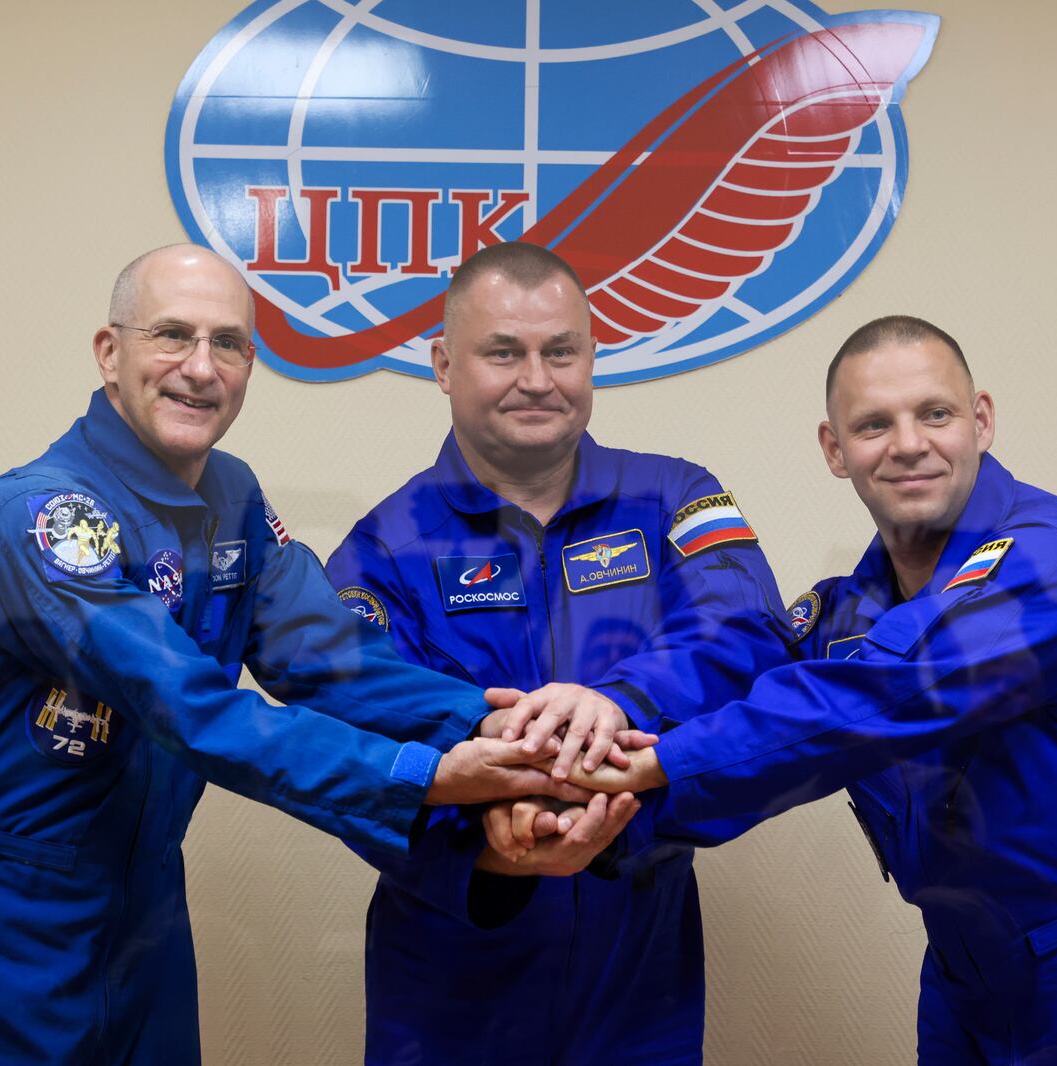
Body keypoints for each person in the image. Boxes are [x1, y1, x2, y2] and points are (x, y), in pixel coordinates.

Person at [0, 244, 589, 1066]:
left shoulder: (229, 497)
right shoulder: (41, 515)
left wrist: (507, 725)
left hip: (141, 915)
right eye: (172, 335)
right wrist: (422, 777)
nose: (200, 368)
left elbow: (332, 659)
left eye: (228, 343)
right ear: (110, 352)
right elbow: (187, 707)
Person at [530, 316, 1057, 1063]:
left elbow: (875, 697)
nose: (909, 443)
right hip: (968, 979)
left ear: (980, 421)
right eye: (875, 423)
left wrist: (650, 769)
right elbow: (746, 677)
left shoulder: (1055, 562)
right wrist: (610, 723)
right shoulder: (850, 611)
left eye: (935, 414)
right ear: (835, 450)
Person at [324, 242, 794, 1065]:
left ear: (591, 356)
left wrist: (621, 700)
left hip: (638, 958)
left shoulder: (675, 497)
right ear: (443, 364)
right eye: (503, 352)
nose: (536, 379)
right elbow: (350, 734)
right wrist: (488, 843)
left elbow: (744, 628)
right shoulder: (383, 550)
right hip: (448, 969)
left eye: (560, 351)